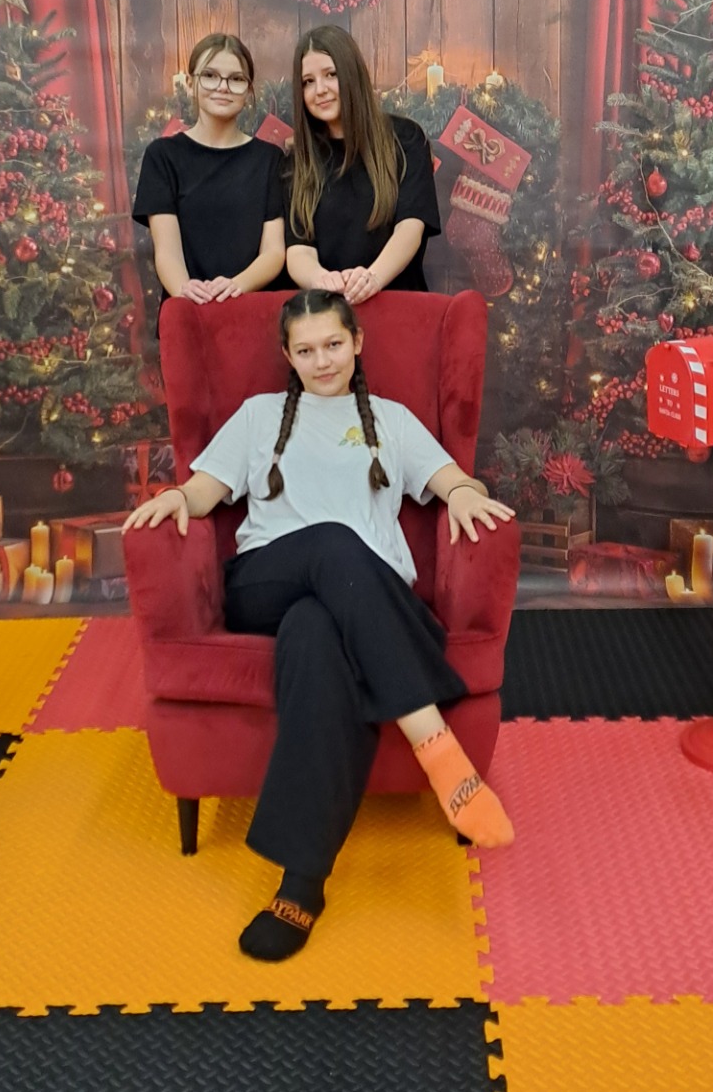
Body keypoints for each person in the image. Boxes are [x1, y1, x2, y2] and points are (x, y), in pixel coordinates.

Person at [124, 288, 516, 961]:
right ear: (288, 355)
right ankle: (434, 742)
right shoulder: (259, 415)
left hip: (364, 602)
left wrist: (464, 496)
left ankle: (300, 887)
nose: (322, 360)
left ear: (356, 342)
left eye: (334, 344)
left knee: (317, 632)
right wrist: (175, 499)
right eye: (305, 350)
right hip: (266, 582)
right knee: (332, 544)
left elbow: (453, 481)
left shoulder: (391, 420)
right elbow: (205, 488)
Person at [285, 23, 440, 303]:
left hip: (399, 305)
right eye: (308, 81)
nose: (320, 90)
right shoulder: (298, 161)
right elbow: (298, 250)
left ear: (351, 74)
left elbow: (410, 228)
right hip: (328, 312)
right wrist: (321, 281)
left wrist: (372, 279)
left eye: (331, 75)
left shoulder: (405, 139)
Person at [133, 32, 285, 304]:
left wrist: (235, 286)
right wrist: (186, 291)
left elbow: (274, 252)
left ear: (249, 91)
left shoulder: (270, 159)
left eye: (236, 79)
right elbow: (167, 252)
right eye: (210, 75)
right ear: (191, 84)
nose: (223, 87)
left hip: (252, 309)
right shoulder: (162, 156)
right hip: (188, 307)